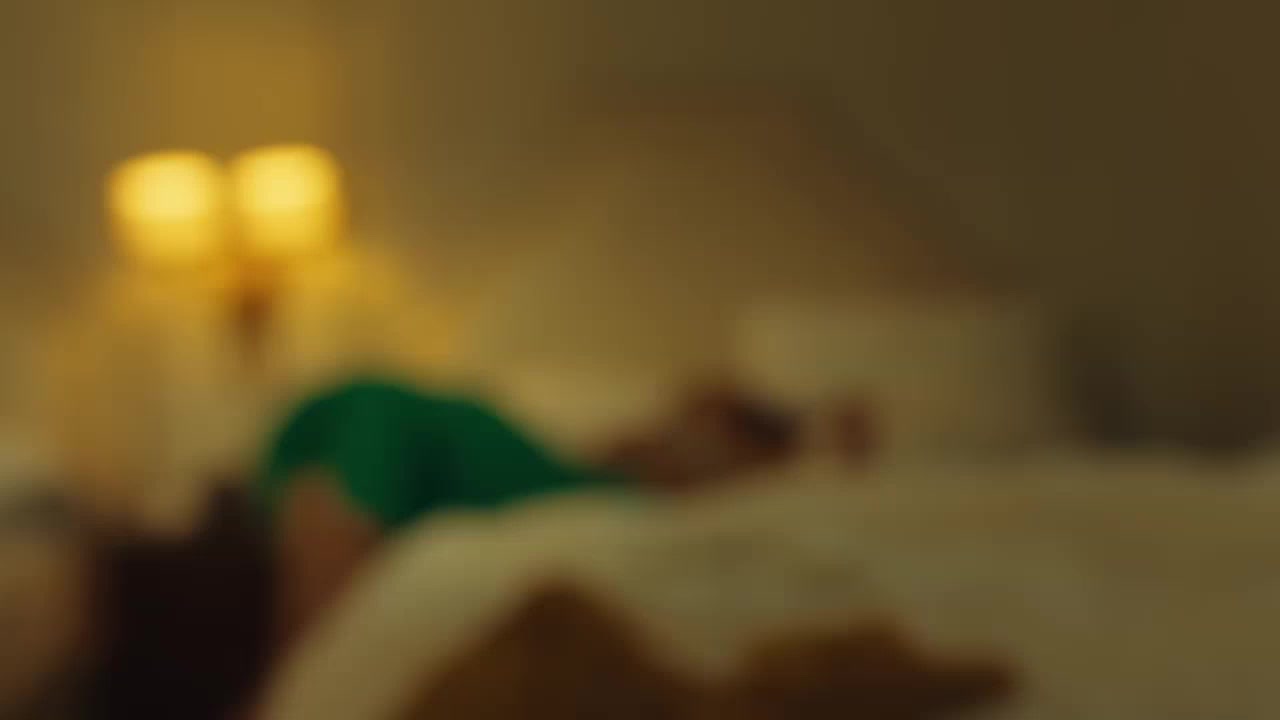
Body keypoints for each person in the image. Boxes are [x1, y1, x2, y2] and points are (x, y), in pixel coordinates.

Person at [256, 376, 805, 650]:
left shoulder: (631, 505)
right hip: (374, 425)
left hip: (363, 454)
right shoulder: (585, 467)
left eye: (717, 426)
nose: (688, 421)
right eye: (693, 412)